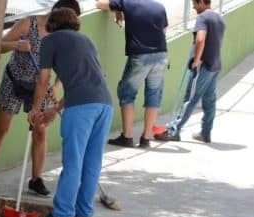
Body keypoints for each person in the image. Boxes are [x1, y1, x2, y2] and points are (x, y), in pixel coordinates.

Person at [29, 7, 114, 217]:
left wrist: (35, 109)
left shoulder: (50, 41)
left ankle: (63, 215)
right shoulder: (87, 41)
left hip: (81, 108)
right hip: (104, 104)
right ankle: (83, 213)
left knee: (73, 161)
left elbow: (43, 79)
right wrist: (54, 109)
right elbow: (87, 81)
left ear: (51, 25)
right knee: (92, 161)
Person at [0, 0, 81, 196]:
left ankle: (36, 179)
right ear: (56, 12)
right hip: (14, 80)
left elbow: (66, 65)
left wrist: (56, 86)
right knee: (1, 128)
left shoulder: (64, 33)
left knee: (40, 132)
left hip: (41, 87)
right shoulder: (27, 24)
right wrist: (15, 44)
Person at [96, 0, 169, 148]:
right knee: (154, 96)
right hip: (161, 55)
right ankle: (146, 138)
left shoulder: (128, 3)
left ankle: (127, 136)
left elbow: (99, 4)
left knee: (126, 94)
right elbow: (163, 31)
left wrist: (118, 9)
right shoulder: (160, 7)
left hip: (141, 55)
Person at [155, 0, 225, 143]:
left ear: (201, 2)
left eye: (194, 3)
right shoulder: (219, 18)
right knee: (209, 101)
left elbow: (200, 39)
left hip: (203, 66)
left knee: (190, 100)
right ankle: (205, 133)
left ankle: (174, 130)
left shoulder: (203, 17)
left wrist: (197, 59)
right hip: (215, 65)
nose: (193, 7)